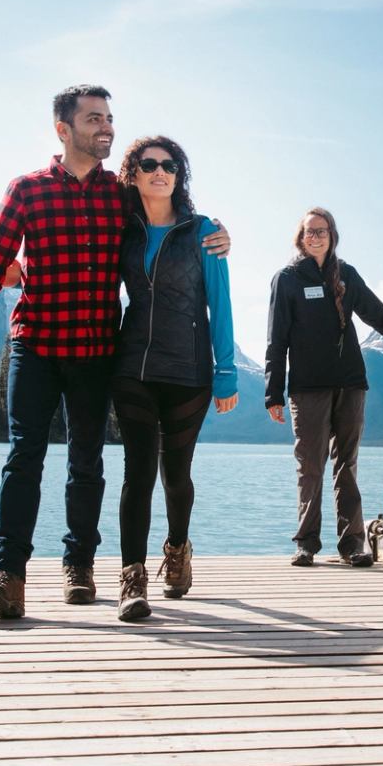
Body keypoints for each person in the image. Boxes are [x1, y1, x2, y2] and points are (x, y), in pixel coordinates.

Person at [0, 85, 229, 620]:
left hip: (98, 349)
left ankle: (78, 566)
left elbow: (167, 212)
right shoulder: (26, 190)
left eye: (109, 118)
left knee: (87, 462)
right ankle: (6, 575)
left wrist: (216, 234)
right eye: (93, 119)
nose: (105, 127)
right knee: (22, 458)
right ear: (64, 129)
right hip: (33, 344)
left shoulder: (119, 195)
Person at [265, 207, 383, 567]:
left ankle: (352, 544)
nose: (315, 236)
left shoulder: (346, 275)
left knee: (346, 465)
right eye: (309, 231)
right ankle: (306, 543)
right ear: (300, 238)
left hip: (351, 384)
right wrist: (273, 393)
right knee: (311, 467)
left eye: (322, 230)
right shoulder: (286, 279)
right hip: (307, 388)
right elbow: (277, 340)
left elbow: (382, 321)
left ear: (333, 235)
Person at [111, 136, 238, 621]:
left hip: (189, 370)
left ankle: (179, 548)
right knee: (137, 472)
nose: (160, 172)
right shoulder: (125, 229)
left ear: (178, 175)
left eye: (169, 165)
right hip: (133, 366)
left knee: (176, 473)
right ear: (135, 174)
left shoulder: (204, 231)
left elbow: (219, 304)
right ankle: (132, 578)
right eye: (149, 165)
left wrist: (226, 373)